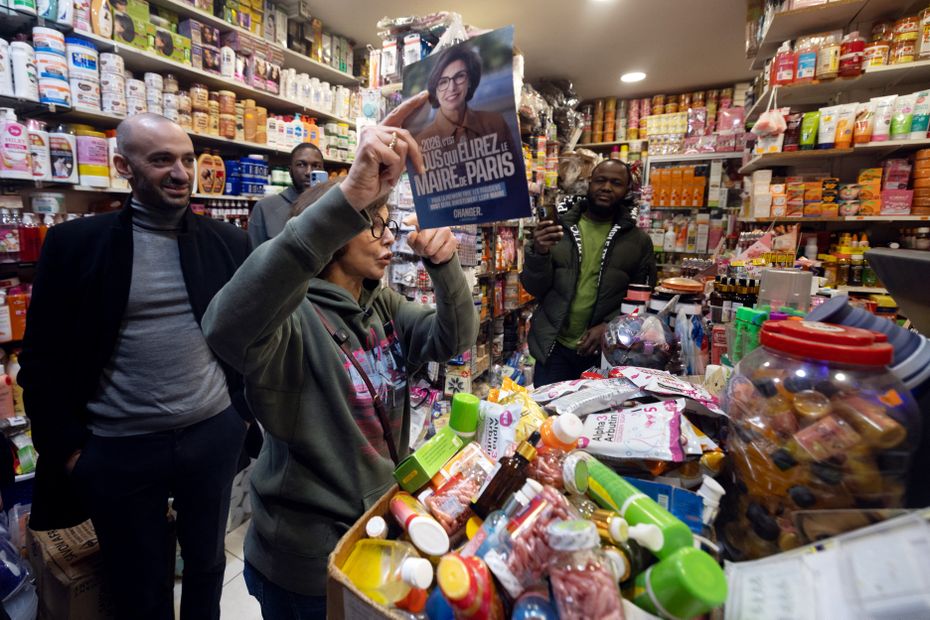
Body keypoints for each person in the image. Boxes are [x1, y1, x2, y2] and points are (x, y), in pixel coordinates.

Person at [202, 91, 478, 619]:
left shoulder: (381, 303)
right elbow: (225, 325)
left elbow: (453, 341)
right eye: (372, 224)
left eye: (386, 222)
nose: (388, 237)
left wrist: (446, 268)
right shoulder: (289, 321)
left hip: (373, 528)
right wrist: (347, 195)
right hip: (303, 562)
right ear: (334, 236)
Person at [18, 113, 253, 620]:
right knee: (138, 581)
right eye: (162, 159)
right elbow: (41, 359)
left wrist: (241, 417)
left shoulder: (228, 243)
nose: (181, 172)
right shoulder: (76, 246)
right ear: (124, 166)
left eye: (187, 158)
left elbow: (252, 335)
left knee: (208, 562)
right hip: (120, 447)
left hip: (211, 433)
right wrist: (71, 451)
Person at [520, 159, 657, 386]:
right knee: (549, 418)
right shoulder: (560, 228)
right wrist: (539, 252)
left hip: (604, 354)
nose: (606, 187)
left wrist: (609, 326)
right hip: (554, 349)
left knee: (595, 419)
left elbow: (643, 302)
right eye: (600, 180)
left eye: (616, 183)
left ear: (626, 191)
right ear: (590, 183)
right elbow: (534, 288)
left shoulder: (638, 242)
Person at [413, 45, 513, 148]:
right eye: (443, 82)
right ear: (435, 90)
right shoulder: (421, 142)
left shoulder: (495, 123)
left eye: (460, 76)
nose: (452, 88)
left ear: (470, 81)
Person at [248, 142, 325, 246]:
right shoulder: (265, 208)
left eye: (316, 166)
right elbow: (254, 258)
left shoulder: (332, 207)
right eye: (301, 164)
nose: (308, 172)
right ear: (290, 171)